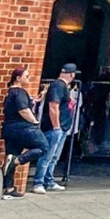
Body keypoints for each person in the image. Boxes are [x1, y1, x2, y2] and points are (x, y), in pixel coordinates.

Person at [1, 68, 48, 200]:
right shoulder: (20, 92)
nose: (29, 78)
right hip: (22, 128)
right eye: (26, 76)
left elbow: (19, 105)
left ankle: (8, 189)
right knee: (43, 148)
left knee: (11, 155)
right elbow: (23, 110)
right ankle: (17, 161)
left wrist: (35, 99)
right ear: (17, 78)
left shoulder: (10, 92)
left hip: (9, 129)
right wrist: (35, 122)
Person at [32, 63, 78, 194]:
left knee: (53, 157)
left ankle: (48, 180)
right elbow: (53, 107)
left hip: (61, 127)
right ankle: (38, 182)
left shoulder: (62, 86)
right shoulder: (58, 85)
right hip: (55, 128)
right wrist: (56, 126)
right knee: (47, 156)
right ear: (72, 74)